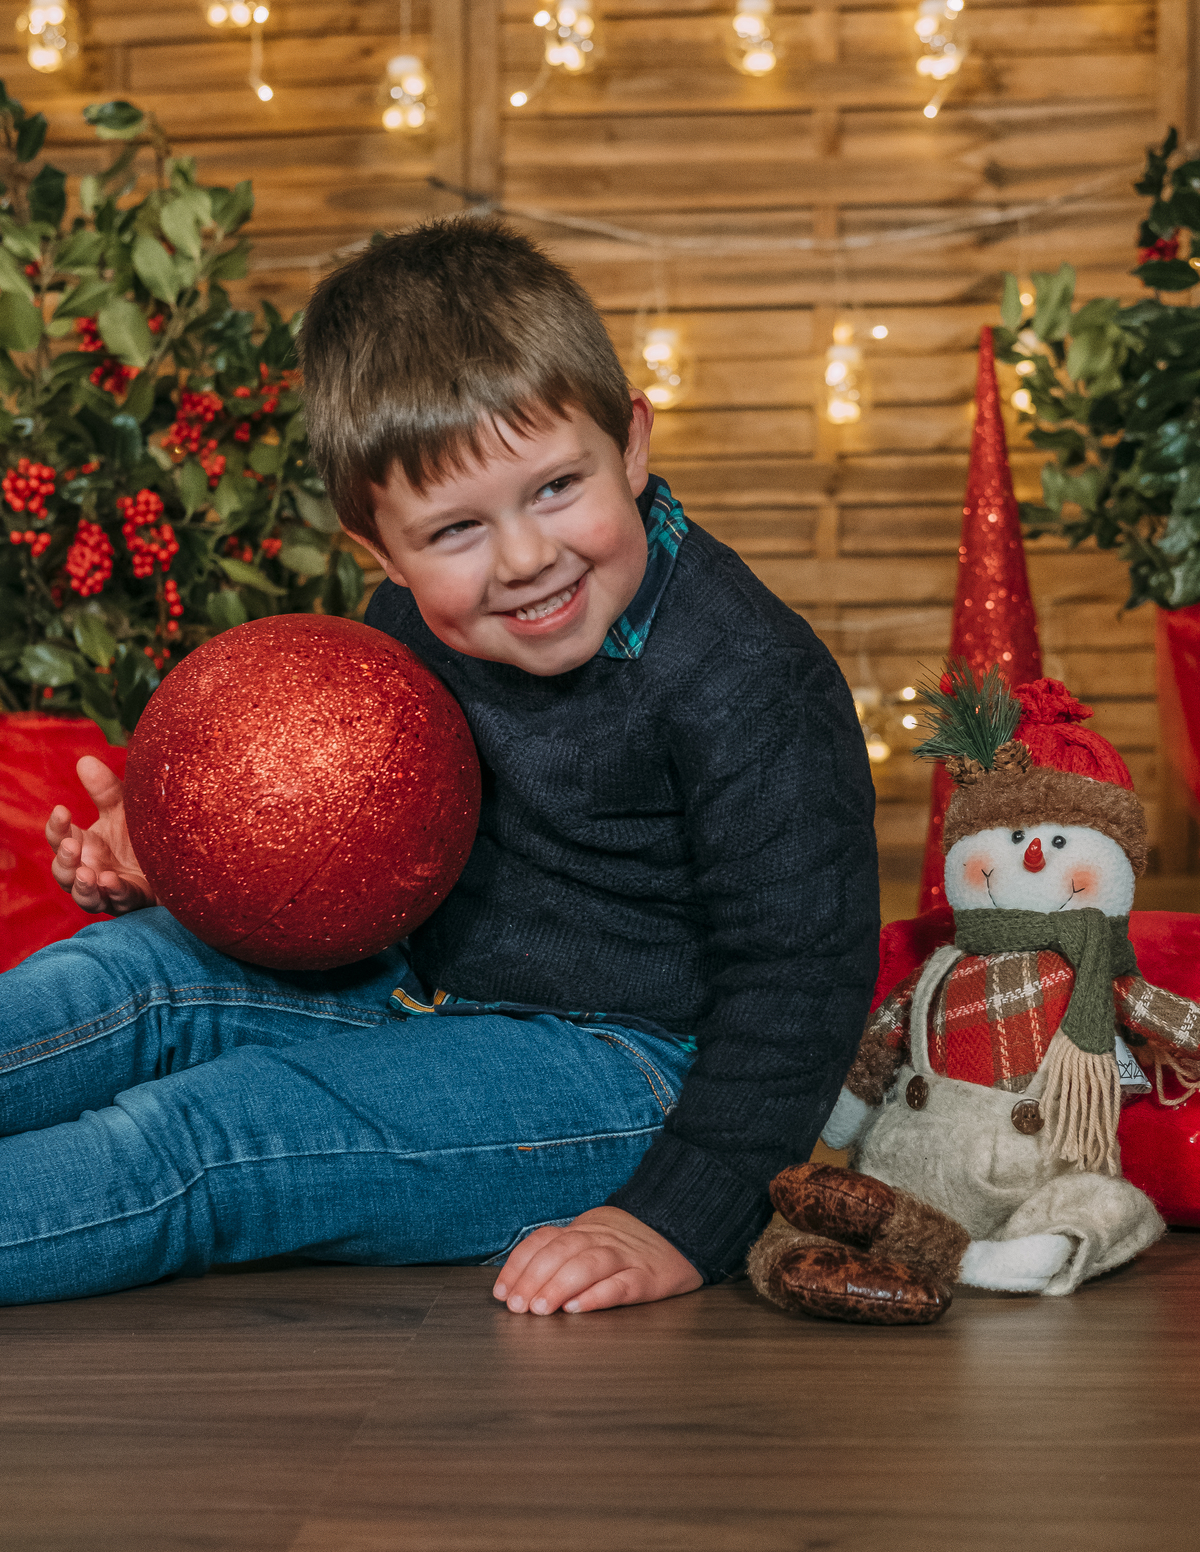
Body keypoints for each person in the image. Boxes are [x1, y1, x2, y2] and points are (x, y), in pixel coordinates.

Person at [29, 218, 879, 1312]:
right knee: (113, 983)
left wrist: (678, 1216)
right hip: (406, 986)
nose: (525, 558)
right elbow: (345, 834)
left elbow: (801, 980)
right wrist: (192, 864)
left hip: (629, 1074)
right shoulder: (406, 626)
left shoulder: (749, 675)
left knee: (210, 1133)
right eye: (454, 531)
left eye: (557, 487)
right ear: (379, 549)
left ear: (630, 443)